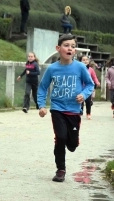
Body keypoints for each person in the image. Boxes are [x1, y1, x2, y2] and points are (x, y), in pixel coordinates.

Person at [37, 34, 94, 182]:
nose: (70, 48)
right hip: (57, 108)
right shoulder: (52, 69)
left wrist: (83, 94)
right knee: (60, 138)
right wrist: (42, 105)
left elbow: (90, 85)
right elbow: (42, 88)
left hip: (74, 110)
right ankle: (60, 170)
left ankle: (73, 141)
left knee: (72, 145)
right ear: (58, 48)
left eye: (73, 46)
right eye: (66, 45)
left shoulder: (80, 67)